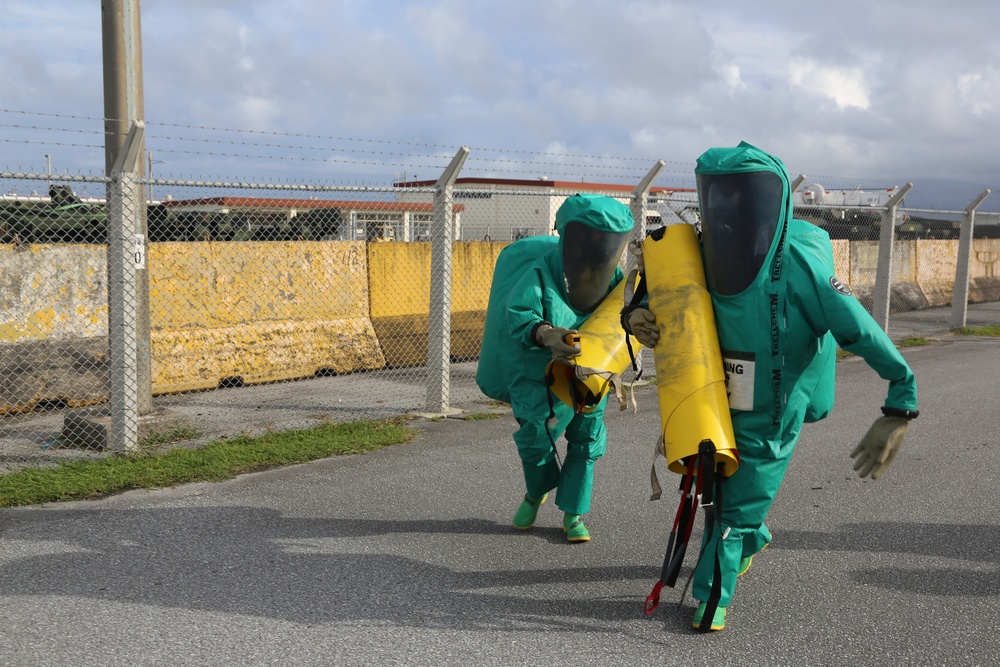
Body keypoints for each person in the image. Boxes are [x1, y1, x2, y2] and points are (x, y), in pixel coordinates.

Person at [623, 142, 918, 631]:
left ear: (772, 200)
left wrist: (900, 404)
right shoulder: (692, 250)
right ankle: (751, 537)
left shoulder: (803, 269)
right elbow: (648, 291)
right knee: (716, 484)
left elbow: (864, 331)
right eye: (719, 196)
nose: (730, 208)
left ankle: (712, 595)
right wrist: (635, 316)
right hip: (710, 390)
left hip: (775, 402)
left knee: (734, 506)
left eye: (743, 196)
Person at [477, 193, 635, 542]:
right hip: (537, 375)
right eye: (587, 237)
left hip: (590, 374)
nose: (596, 248)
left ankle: (574, 513)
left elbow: (623, 318)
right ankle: (535, 493)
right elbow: (519, 314)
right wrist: (546, 334)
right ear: (568, 235)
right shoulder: (539, 272)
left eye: (604, 241)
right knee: (535, 437)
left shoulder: (614, 279)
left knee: (587, 438)